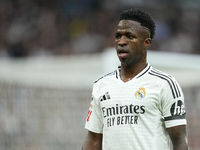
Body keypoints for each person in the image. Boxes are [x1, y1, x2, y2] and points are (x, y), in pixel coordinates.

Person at [81, 8, 188, 150]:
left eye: (129, 36)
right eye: (118, 36)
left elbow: (180, 141)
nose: (121, 42)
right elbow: (93, 139)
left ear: (146, 42)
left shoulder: (165, 84)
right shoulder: (101, 85)